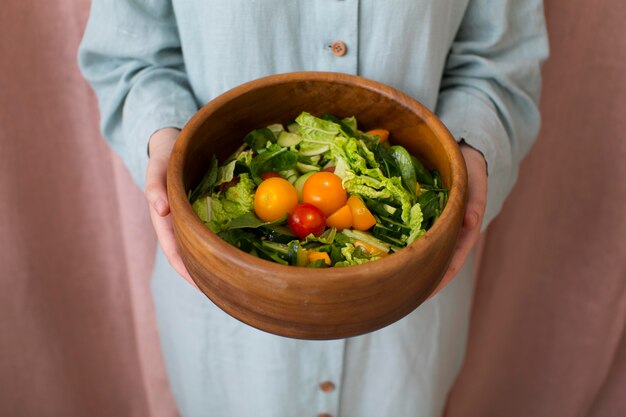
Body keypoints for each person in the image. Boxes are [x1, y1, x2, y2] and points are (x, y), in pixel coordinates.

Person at [78, 1, 548, 416]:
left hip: (407, 307)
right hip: (226, 308)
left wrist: (474, 152)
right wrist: (164, 138)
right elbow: (131, 55)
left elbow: (498, 60)